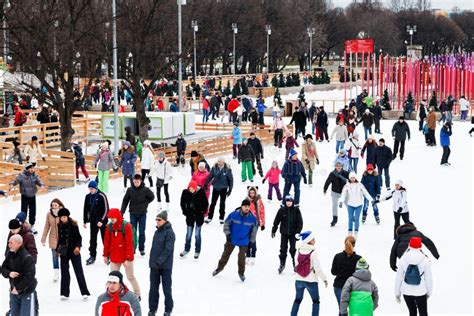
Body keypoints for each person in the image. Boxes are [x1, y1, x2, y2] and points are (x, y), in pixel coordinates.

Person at [212, 199, 258, 282]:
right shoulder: (234, 215)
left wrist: (251, 241)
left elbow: (254, 231)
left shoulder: (252, 219)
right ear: (242, 206)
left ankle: (241, 273)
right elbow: (226, 224)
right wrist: (228, 234)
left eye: (248, 206)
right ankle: (219, 268)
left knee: (241, 257)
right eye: (245, 206)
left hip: (244, 240)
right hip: (232, 238)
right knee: (225, 254)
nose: (247, 208)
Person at [103, 208, 141, 299]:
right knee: (113, 278)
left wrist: (128, 258)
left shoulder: (126, 226)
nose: (111, 219)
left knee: (130, 276)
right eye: (110, 218)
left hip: (125, 256)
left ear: (117, 217)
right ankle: (113, 294)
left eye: (113, 218)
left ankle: (137, 293)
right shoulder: (109, 227)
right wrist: (105, 255)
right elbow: (107, 242)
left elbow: (129, 243)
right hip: (114, 256)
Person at [290, 231, 328, 316]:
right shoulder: (313, 252)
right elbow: (318, 269)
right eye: (313, 239)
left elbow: (296, 265)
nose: (315, 240)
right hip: (311, 281)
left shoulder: (298, 250)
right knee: (315, 301)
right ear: (309, 240)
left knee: (297, 300)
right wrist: (324, 279)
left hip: (298, 280)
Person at [56, 208, 90, 300]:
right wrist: (57, 250)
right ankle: (64, 293)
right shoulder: (59, 225)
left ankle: (84, 292)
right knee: (64, 272)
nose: (62, 219)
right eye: (61, 217)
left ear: (67, 216)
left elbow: (79, 238)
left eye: (64, 217)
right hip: (63, 252)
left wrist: (78, 247)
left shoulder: (74, 225)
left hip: (74, 251)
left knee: (79, 271)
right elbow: (59, 239)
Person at [395, 237, 433, 316]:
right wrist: (429, 292)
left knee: (412, 313)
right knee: (423, 313)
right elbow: (428, 278)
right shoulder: (425, 260)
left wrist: (397, 293)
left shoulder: (403, 259)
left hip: (406, 291)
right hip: (420, 291)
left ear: (409, 245)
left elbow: (398, 277)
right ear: (420, 246)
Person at [2, 235, 38, 315]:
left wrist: (18, 288)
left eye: (11, 243)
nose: (9, 245)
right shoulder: (10, 254)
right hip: (14, 291)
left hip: (27, 291)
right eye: (8, 242)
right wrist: (9, 273)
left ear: (19, 243)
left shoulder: (27, 257)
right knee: (14, 314)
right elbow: (3, 268)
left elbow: (29, 277)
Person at [149, 211, 176, 316]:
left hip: (165, 267)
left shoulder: (170, 233)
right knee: (153, 289)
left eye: (159, 220)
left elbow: (168, 250)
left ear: (165, 220)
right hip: (154, 266)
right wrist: (152, 263)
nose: (157, 221)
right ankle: (152, 309)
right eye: (156, 219)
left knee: (166, 289)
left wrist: (159, 261)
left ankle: (168, 309)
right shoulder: (157, 232)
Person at [121, 174, 155, 256]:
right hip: (133, 213)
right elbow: (125, 201)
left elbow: (152, 197)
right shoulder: (130, 190)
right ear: (133, 181)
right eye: (135, 182)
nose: (136, 183)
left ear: (141, 181)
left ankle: (141, 248)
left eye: (138, 182)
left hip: (142, 214)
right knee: (133, 232)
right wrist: (121, 212)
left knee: (142, 232)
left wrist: (146, 203)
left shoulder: (145, 189)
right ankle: (133, 248)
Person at [9, 163, 45, 234]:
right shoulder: (21, 176)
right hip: (25, 196)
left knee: (33, 212)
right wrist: (11, 184)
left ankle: (32, 226)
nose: (32, 169)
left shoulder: (34, 175)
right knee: (23, 212)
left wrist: (42, 185)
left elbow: (39, 181)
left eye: (32, 168)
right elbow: (15, 181)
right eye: (30, 168)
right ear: (27, 169)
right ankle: (22, 226)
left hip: (32, 196)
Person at [272, 195, 303, 273]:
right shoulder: (282, 210)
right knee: (283, 249)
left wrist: (298, 232)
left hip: (293, 234)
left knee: (293, 249)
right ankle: (282, 263)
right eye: (287, 201)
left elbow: (300, 222)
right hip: (284, 233)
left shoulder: (296, 210)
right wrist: (274, 230)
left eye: (290, 201)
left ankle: (295, 264)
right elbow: (276, 221)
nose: (288, 203)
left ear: (292, 202)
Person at [331, 236, 362, 315]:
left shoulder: (337, 256)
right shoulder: (358, 258)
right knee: (353, 310)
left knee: (342, 310)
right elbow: (361, 274)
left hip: (338, 286)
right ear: (354, 245)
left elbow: (333, 272)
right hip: (352, 287)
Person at [179, 180, 208, 259]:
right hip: (190, 216)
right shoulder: (185, 192)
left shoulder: (201, 192)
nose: (191, 190)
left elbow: (205, 203)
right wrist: (185, 211)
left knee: (197, 234)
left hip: (198, 215)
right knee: (189, 234)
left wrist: (203, 211)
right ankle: (186, 249)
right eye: (190, 188)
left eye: (193, 189)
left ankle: (197, 251)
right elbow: (182, 203)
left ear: (195, 188)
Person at [338, 172, 373, 237]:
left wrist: (371, 200)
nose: (352, 179)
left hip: (359, 205)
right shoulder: (347, 186)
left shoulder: (360, 185)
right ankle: (350, 231)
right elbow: (343, 194)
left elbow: (366, 193)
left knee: (357, 218)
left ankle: (356, 231)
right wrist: (341, 201)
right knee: (350, 218)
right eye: (351, 178)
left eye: (353, 177)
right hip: (350, 204)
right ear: (349, 178)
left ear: (355, 177)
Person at [83, 180, 109, 265]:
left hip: (102, 222)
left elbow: (106, 209)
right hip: (93, 221)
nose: (90, 190)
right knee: (92, 239)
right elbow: (85, 209)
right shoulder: (87, 196)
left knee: (105, 239)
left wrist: (102, 221)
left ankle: (108, 255)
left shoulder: (102, 195)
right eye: (89, 189)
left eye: (92, 189)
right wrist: (85, 220)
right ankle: (92, 256)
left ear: (96, 188)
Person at [204, 157, 233, 224]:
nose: (218, 162)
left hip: (224, 188)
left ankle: (221, 218)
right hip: (216, 188)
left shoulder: (227, 169)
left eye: (220, 161)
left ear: (223, 162)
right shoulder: (214, 168)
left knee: (222, 203)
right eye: (218, 161)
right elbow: (210, 177)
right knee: (213, 203)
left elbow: (230, 180)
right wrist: (206, 184)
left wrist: (230, 189)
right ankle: (209, 217)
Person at [41, 198, 63, 282]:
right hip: (52, 237)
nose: (54, 207)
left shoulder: (63, 213)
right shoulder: (49, 214)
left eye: (55, 205)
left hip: (62, 238)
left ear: (59, 205)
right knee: (54, 256)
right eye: (52, 205)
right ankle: (56, 272)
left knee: (63, 255)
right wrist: (43, 238)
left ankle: (64, 271)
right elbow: (46, 226)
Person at [324, 162, 349, 227]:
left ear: (342, 167)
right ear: (335, 167)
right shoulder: (332, 174)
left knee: (348, 205)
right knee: (334, 206)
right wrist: (325, 189)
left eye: (340, 166)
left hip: (344, 192)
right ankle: (335, 219)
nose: (338, 167)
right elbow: (328, 182)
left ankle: (351, 217)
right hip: (335, 192)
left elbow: (351, 180)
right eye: (337, 166)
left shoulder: (346, 173)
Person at [246, 186, 265, 264]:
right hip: (247, 223)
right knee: (247, 239)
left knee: (252, 239)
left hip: (255, 223)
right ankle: (247, 255)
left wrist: (262, 223)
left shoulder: (259, 201)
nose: (252, 194)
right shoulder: (246, 200)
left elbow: (262, 212)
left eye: (253, 193)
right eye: (250, 193)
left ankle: (253, 255)